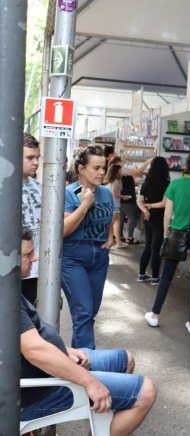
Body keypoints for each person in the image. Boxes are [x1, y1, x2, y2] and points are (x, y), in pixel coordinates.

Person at [18, 227, 157, 433]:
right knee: (146, 391)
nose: (35, 257)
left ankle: (98, 428)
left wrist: (65, 350)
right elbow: (34, 350)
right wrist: (90, 382)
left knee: (126, 359)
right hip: (42, 388)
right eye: (28, 254)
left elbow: (31, 337)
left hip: (49, 372)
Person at [144, 152, 190, 332]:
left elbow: (168, 214)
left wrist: (166, 233)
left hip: (177, 232)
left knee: (167, 275)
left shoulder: (175, 185)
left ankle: (155, 314)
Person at [62, 146, 116, 349]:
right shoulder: (68, 193)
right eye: (96, 168)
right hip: (73, 256)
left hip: (99, 257)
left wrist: (110, 237)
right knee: (83, 311)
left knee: (90, 311)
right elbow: (63, 230)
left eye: (104, 167)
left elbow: (110, 217)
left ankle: (78, 359)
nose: (102, 172)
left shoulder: (105, 193)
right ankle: (88, 365)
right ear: (81, 169)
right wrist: (84, 205)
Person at [137, 156, 170, 283]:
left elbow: (139, 201)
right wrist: (150, 207)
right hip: (159, 219)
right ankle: (155, 277)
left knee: (148, 246)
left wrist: (146, 210)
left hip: (148, 218)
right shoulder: (167, 184)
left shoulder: (147, 182)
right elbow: (163, 203)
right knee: (156, 248)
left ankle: (141, 274)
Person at [21, 132, 42, 304]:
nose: (36, 162)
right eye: (30, 157)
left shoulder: (41, 187)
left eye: (37, 157)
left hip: (37, 270)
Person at [105, 162, 127, 248]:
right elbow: (115, 194)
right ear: (116, 172)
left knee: (117, 223)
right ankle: (108, 243)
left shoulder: (113, 181)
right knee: (111, 224)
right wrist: (123, 196)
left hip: (114, 205)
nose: (121, 172)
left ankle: (118, 242)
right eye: (120, 170)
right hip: (114, 205)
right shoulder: (115, 181)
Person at [120, 168, 141, 244]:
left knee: (120, 220)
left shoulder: (119, 177)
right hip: (129, 200)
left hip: (120, 201)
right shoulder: (128, 177)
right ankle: (130, 237)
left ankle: (120, 237)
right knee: (132, 218)